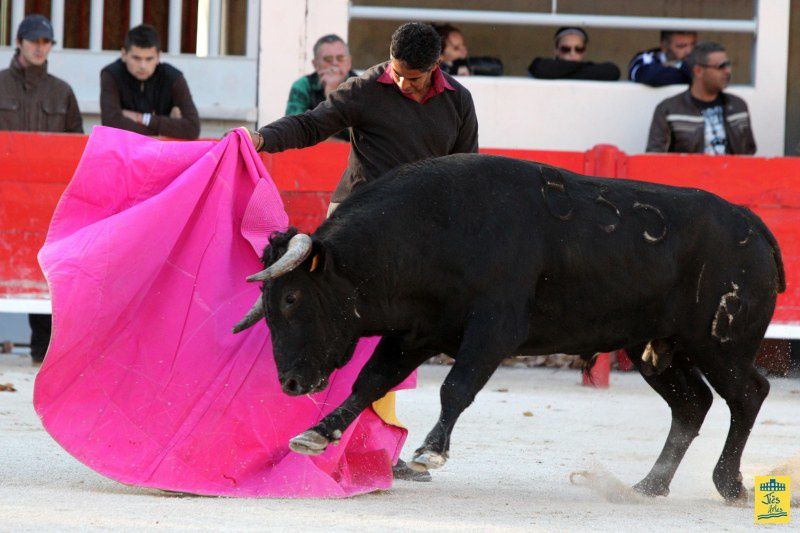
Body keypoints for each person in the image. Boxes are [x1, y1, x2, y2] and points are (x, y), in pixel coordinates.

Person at [240, 21, 479, 480]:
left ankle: (377, 447)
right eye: (398, 72)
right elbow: (312, 123)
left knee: (396, 335)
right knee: (336, 324)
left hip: (414, 241)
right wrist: (262, 138)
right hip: (356, 230)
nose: (405, 83)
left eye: (415, 76)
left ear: (436, 68)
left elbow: (465, 172)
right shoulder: (367, 88)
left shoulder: (457, 101)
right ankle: (316, 434)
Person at [0, 13, 83, 365]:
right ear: (19, 42)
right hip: (3, 195)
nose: (39, 47)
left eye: (45, 41)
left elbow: (76, 147)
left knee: (45, 269)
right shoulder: (0, 84)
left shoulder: (62, 92)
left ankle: (42, 350)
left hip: (48, 200)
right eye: (33, 40)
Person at [646, 41, 755, 155]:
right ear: (698, 71)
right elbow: (654, 158)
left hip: (732, 172)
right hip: (687, 173)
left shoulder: (739, 106)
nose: (727, 71)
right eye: (721, 66)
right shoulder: (668, 109)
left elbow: (749, 153)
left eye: (728, 65)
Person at [100, 24, 200, 140]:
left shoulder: (173, 77)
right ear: (124, 55)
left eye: (149, 59)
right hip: (123, 148)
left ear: (158, 57)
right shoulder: (111, 74)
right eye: (136, 58)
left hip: (162, 152)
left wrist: (142, 118)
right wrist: (164, 129)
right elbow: (111, 123)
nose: (143, 66)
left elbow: (192, 128)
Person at [285, 34, 357, 141]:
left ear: (349, 62)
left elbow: (364, 137)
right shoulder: (303, 86)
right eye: (328, 59)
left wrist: (334, 95)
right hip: (311, 155)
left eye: (340, 58)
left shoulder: (361, 86)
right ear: (315, 64)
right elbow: (292, 131)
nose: (335, 64)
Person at [528, 27, 620, 81]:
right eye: (566, 49)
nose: (572, 53)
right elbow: (541, 69)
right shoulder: (541, 66)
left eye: (579, 49)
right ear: (556, 50)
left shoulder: (598, 70)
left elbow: (613, 71)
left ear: (584, 51)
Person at [629, 30, 697, 87]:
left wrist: (679, 65)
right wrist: (687, 74)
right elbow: (651, 77)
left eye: (693, 45)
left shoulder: (700, 56)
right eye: (681, 46)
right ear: (664, 47)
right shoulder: (645, 59)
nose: (689, 51)